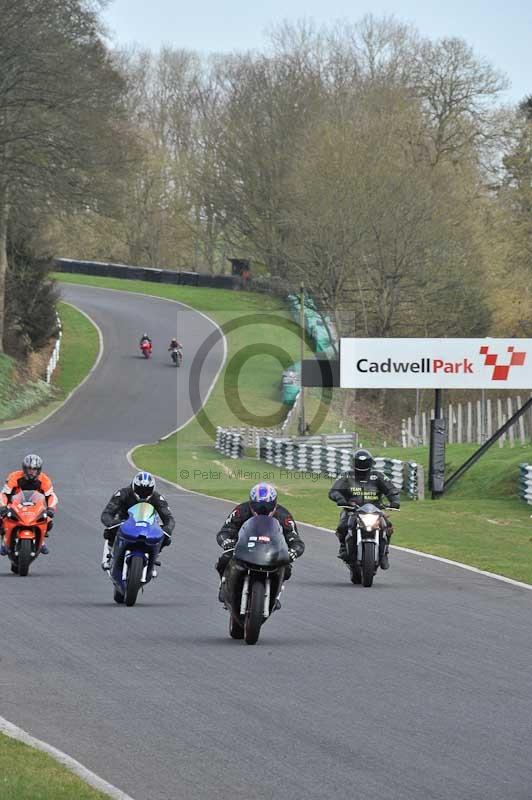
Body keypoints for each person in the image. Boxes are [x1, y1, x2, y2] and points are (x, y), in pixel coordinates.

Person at [215, 482, 305, 602]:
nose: (263, 510)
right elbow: (225, 530)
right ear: (251, 503)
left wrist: (293, 551)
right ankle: (223, 586)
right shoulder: (241, 511)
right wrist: (227, 541)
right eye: (258, 506)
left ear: (274, 504)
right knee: (224, 559)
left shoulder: (283, 516)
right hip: (244, 548)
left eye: (267, 506)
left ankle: (276, 594)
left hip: (271, 552)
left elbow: (295, 539)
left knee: (286, 567)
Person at [328, 449, 400, 569]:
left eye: (365, 463)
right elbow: (334, 491)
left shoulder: (378, 476)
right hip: (352, 510)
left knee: (387, 526)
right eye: (359, 463)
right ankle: (343, 547)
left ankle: (385, 553)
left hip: (375, 511)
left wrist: (395, 501)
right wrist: (340, 499)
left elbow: (391, 489)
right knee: (342, 526)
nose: (362, 465)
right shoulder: (346, 476)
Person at [100, 471, 175, 571]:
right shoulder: (122, 493)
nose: (143, 493)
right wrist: (112, 523)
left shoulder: (157, 498)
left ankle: (153, 558)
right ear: (134, 486)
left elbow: (169, 518)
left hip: (148, 525)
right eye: (140, 490)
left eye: (147, 490)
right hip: (125, 523)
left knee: (166, 537)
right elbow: (107, 513)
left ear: (152, 489)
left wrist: (167, 529)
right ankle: (107, 557)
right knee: (110, 530)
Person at [0, 454, 58, 555]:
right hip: (15, 503)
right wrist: (3, 506)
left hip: (35, 505)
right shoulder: (14, 476)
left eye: (35, 469)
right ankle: (4, 541)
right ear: (24, 468)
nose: (32, 471)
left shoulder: (45, 479)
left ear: (39, 470)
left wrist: (51, 509)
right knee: (1, 518)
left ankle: (41, 541)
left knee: (49, 520)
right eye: (29, 469)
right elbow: (4, 494)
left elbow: (51, 496)